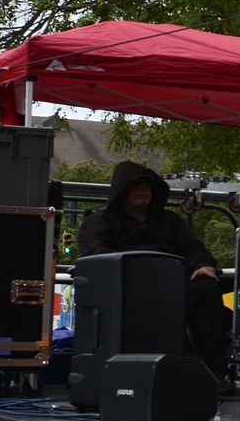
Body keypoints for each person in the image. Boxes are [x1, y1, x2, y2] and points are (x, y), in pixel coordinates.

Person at [77, 160, 231, 379]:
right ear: (121, 190)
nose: (142, 190)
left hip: (172, 289)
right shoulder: (100, 221)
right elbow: (94, 253)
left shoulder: (170, 220)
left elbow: (194, 248)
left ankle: (212, 375)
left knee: (208, 291)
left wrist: (203, 265)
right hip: (127, 293)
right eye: (135, 185)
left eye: (147, 186)